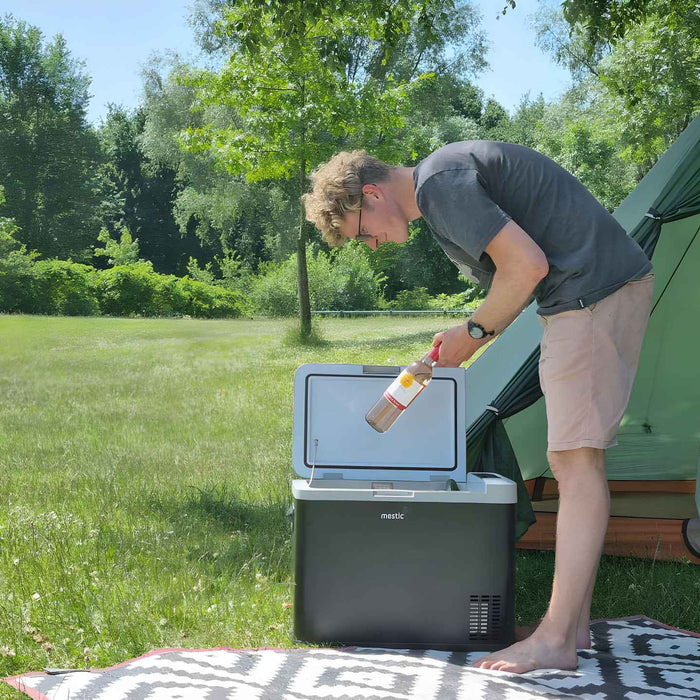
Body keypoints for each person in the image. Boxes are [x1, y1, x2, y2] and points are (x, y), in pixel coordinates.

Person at [302, 143, 654, 673]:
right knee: (578, 461)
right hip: (592, 292)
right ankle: (572, 628)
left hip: (590, 296)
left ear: (370, 195)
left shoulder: (440, 185)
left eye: (361, 231)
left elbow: (527, 266)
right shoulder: (441, 192)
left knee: (576, 464)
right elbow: (514, 281)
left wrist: (474, 331)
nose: (371, 246)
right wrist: (465, 336)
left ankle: (556, 641)